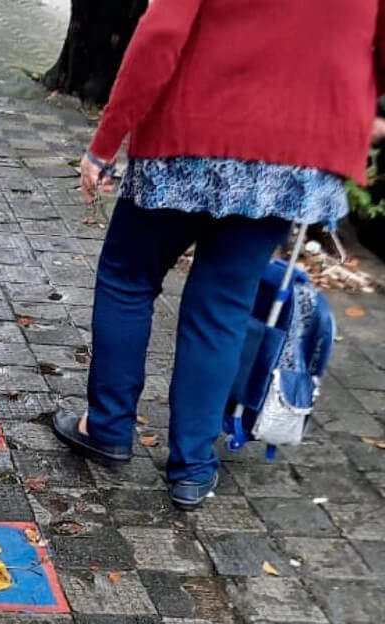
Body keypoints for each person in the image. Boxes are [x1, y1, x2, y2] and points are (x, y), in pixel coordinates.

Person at [51, 0, 383, 510]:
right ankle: (192, 466)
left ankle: (108, 427)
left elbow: (161, 33)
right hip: (290, 155)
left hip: (189, 132)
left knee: (128, 277)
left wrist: (106, 141)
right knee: (223, 306)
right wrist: (357, 119)